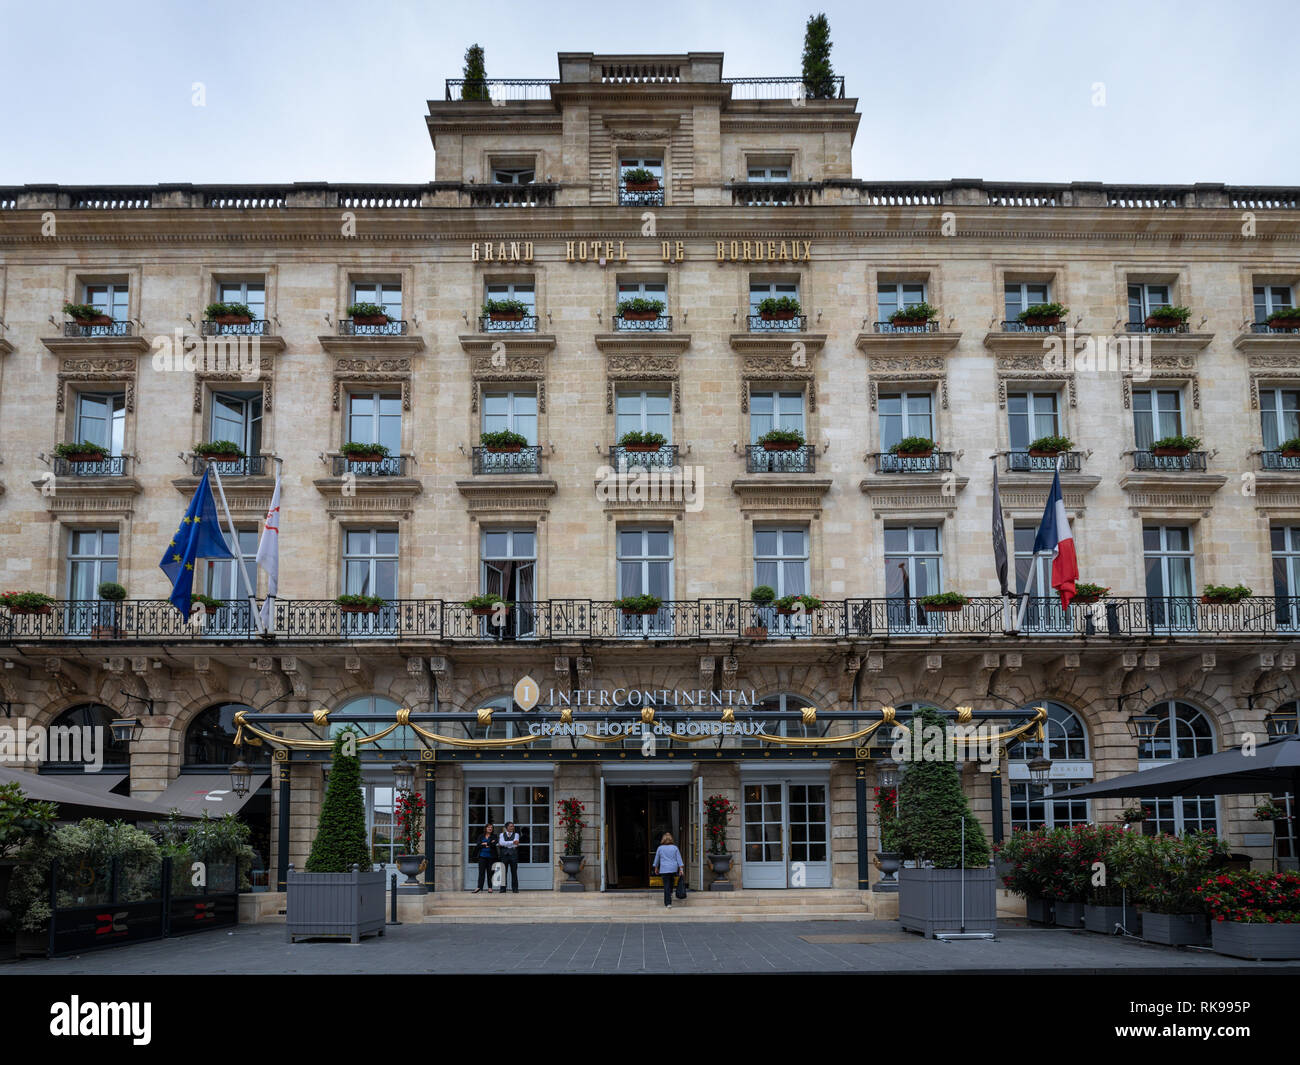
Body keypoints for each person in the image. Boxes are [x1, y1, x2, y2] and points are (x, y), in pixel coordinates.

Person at [652, 832, 685, 908]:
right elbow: (679, 859)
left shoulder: (660, 848)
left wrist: (656, 868)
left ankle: (668, 903)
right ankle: (669, 893)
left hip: (664, 869)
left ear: (663, 839)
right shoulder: (675, 848)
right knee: (671, 882)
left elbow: (657, 859)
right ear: (671, 839)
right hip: (673, 868)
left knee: (666, 885)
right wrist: (681, 869)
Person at [472, 822, 497, 893]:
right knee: (481, 873)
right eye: (489, 827)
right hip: (482, 857)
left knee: (490, 873)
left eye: (491, 827)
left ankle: (490, 887)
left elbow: (494, 844)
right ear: (486, 828)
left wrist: (485, 843)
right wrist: (488, 843)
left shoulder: (494, 836)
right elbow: (478, 845)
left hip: (491, 857)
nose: (490, 828)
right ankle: (479, 887)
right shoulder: (481, 836)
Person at [498, 821, 521, 894]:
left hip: (513, 855)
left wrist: (506, 843)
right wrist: (511, 842)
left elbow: (516, 845)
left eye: (513, 826)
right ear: (506, 827)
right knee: (503, 872)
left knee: (514, 872)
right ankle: (502, 889)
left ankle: (515, 889)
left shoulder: (516, 834)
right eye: (511, 826)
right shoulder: (501, 834)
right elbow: (501, 843)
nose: (512, 828)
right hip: (504, 855)